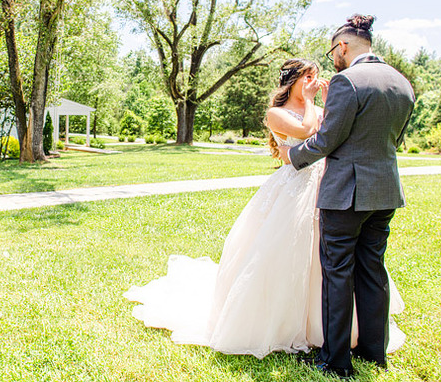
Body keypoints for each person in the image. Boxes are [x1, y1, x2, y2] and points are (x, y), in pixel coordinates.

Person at [124, 57, 406, 361]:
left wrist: (323, 107)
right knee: (287, 253)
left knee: (326, 260)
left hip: (327, 187)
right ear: (292, 81)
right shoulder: (277, 113)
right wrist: (313, 103)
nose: (314, 81)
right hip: (293, 188)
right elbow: (305, 131)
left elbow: (334, 140)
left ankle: (329, 328)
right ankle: (285, 324)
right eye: (307, 76)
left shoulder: (322, 110)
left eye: (316, 76)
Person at [279, 14, 415, 378]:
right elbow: (394, 139)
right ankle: (374, 351)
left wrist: (292, 155)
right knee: (373, 270)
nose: (334, 59)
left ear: (343, 46)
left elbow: (326, 140)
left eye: (333, 51)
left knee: (337, 273)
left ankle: (335, 360)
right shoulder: (402, 82)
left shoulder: (346, 81)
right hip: (385, 192)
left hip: (347, 194)